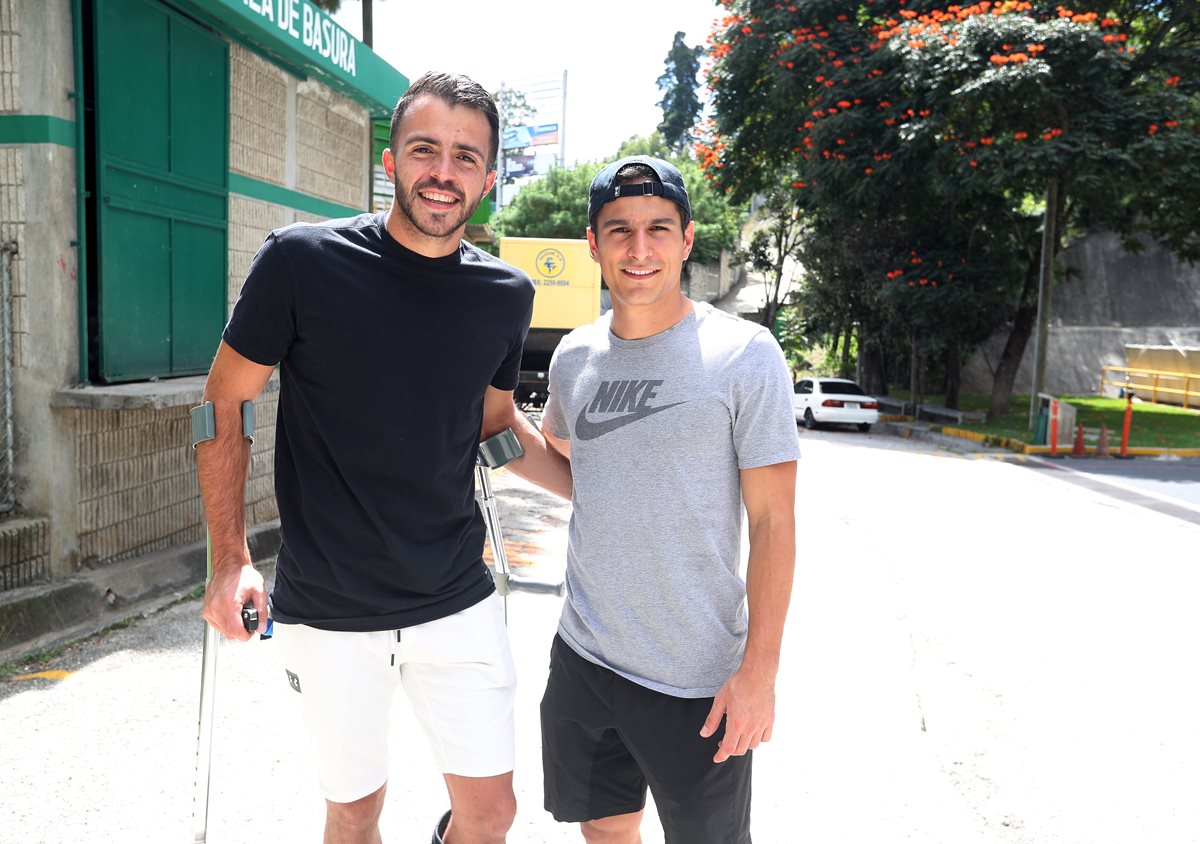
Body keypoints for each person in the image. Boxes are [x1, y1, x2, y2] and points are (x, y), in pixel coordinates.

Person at [195, 71, 571, 844]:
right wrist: (228, 559)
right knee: (356, 812)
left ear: (490, 178)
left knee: (491, 813)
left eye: (466, 157)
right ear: (392, 160)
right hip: (331, 606)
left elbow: (492, 425)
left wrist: (585, 490)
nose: (444, 171)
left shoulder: (505, 292)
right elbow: (221, 403)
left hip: (456, 595)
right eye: (425, 149)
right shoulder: (302, 261)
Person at [538, 156, 800, 844]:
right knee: (603, 831)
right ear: (593, 245)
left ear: (686, 240)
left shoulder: (744, 354)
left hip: (699, 683)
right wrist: (486, 417)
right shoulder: (573, 357)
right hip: (586, 657)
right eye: (619, 229)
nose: (639, 248)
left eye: (659, 227)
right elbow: (581, 469)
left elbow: (774, 523)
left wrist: (759, 675)